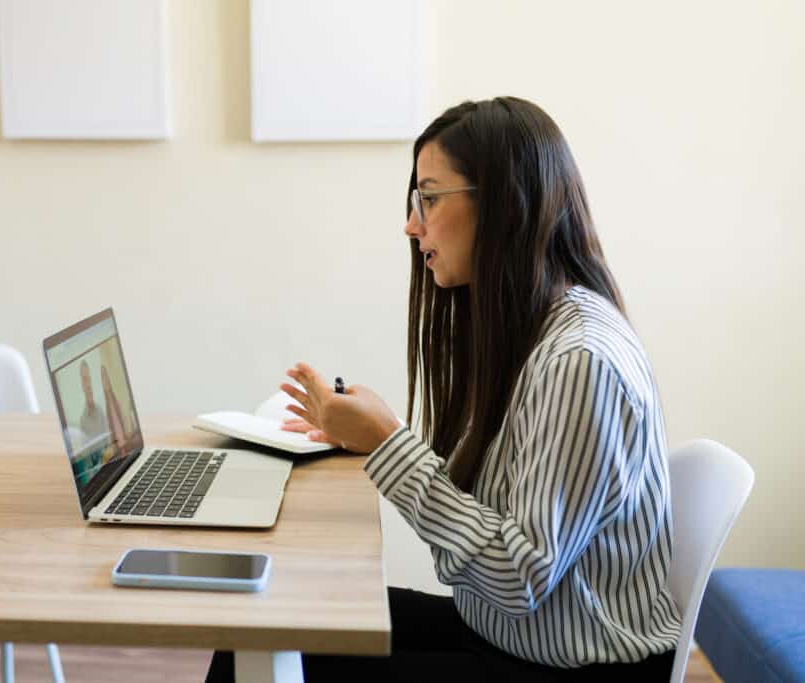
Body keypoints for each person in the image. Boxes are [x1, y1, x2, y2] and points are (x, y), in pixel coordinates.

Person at [205, 97, 680, 682]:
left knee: (261, 645)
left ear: (506, 206)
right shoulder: (529, 329)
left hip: (571, 665)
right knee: (259, 624)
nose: (411, 224)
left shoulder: (581, 359)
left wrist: (388, 445)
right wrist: (370, 438)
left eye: (429, 199)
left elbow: (518, 575)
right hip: (509, 636)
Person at [77, 360, 108, 440]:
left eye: (89, 379)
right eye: (85, 379)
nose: (88, 385)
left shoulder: (101, 411)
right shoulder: (83, 421)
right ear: (82, 385)